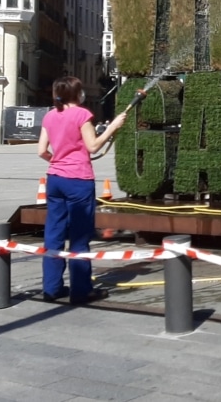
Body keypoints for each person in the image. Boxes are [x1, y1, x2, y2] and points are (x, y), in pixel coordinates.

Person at [37, 76, 126, 304]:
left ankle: (52, 288)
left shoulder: (50, 115)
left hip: (55, 178)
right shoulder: (82, 115)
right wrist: (113, 126)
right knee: (79, 236)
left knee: (54, 233)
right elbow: (93, 145)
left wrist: (58, 161)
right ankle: (81, 290)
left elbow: (41, 151)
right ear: (77, 94)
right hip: (78, 179)